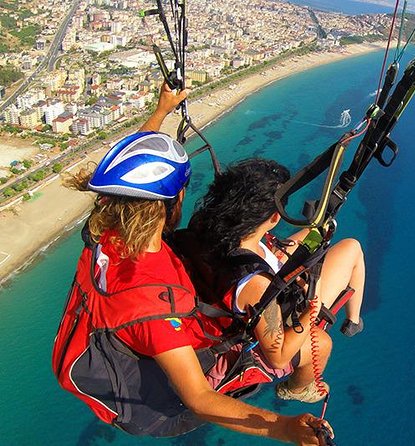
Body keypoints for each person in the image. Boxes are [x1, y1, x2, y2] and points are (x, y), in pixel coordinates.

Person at [52, 83, 332, 445]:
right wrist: (284, 427)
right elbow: (199, 399)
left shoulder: (106, 233)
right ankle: (296, 386)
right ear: (175, 198)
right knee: (311, 341)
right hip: (159, 411)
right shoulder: (153, 307)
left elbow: (130, 173)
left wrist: (161, 111)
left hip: (102, 329)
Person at [177, 158, 366, 404]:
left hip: (233, 280)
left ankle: (353, 321)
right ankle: (298, 388)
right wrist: (311, 313)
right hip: (256, 323)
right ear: (275, 217)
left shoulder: (204, 223)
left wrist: (268, 253)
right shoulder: (255, 283)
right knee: (351, 252)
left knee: (317, 232)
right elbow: (277, 355)